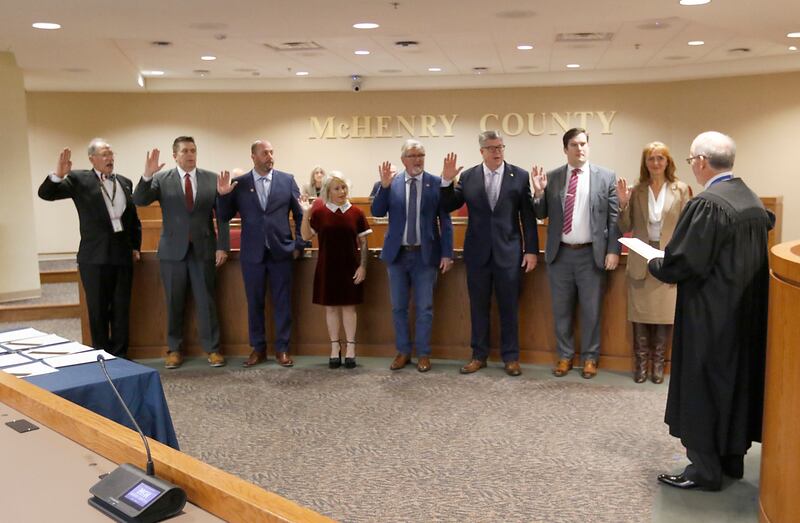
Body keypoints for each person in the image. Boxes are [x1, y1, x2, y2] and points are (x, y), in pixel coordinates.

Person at [648, 131, 773, 491]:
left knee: (704, 384)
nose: (693, 167)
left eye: (691, 161)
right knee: (734, 384)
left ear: (702, 162)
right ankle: (731, 460)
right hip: (743, 315)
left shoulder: (708, 203)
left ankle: (704, 470)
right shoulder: (749, 199)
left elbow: (683, 262)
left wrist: (657, 262)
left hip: (710, 315)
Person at [441, 130, 538, 376]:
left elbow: (527, 217)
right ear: (482, 151)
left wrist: (531, 251)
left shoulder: (520, 175)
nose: (497, 152)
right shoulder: (469, 176)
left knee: (509, 307)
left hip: (509, 252)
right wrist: (446, 182)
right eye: (492, 148)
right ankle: (478, 355)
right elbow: (449, 205)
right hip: (478, 253)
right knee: (478, 306)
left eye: (500, 147)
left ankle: (511, 358)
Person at [38, 139, 141, 358]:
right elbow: (46, 194)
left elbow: (132, 219)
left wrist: (135, 246)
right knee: (98, 310)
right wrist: (57, 174)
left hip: (122, 255)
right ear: (92, 158)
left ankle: (121, 357)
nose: (109, 158)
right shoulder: (79, 179)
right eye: (104, 154)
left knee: (122, 310)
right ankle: (102, 356)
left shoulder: (125, 182)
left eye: (111, 154)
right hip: (94, 257)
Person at [531, 127, 620, 379]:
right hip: (560, 255)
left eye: (583, 144)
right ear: (565, 149)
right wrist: (538, 193)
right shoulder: (553, 177)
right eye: (574, 145)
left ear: (588, 147)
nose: (579, 148)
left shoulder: (605, 177)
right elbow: (540, 214)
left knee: (591, 310)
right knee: (561, 309)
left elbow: (614, 219)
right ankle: (565, 356)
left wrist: (613, 250)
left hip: (591, 255)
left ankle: (590, 358)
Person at [134, 136, 230, 369]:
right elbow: (140, 199)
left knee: (206, 301)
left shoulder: (210, 178)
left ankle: (213, 349)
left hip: (203, 250)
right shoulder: (161, 179)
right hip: (172, 252)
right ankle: (174, 350)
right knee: (174, 302)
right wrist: (147, 176)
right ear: (175, 155)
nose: (190, 154)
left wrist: (222, 245)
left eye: (193, 150)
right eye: (185, 151)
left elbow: (223, 217)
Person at [216, 139, 304, 368]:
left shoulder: (287, 180)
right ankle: (258, 348)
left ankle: (283, 349)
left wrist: (299, 244)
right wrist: (224, 196)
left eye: (272, 152)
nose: (270, 156)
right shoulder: (240, 183)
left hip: (281, 252)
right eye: (265, 153)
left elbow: (301, 214)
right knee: (254, 302)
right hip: (252, 254)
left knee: (282, 302)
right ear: (253, 156)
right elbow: (224, 217)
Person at [371, 140, 454, 372]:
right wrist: (384, 188)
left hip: (425, 256)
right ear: (403, 159)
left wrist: (447, 253)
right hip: (397, 256)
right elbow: (377, 212)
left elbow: (445, 222)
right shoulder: (391, 183)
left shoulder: (435, 183)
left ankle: (424, 354)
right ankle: (403, 351)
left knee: (424, 307)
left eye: (421, 155)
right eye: (413, 155)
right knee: (398, 307)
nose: (418, 159)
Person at [616, 142, 691, 384]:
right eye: (651, 159)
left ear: (668, 162)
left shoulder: (681, 190)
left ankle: (658, 365)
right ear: (645, 163)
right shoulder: (637, 190)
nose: (656, 163)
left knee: (664, 315)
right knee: (640, 315)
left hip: (668, 258)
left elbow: (687, 227)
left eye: (660, 158)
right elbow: (625, 226)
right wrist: (623, 203)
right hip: (641, 258)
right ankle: (640, 366)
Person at [301, 171, 371, 368]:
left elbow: (364, 242)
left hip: (351, 266)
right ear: (327, 192)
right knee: (331, 308)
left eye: (344, 187)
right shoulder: (319, 213)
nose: (342, 191)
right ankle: (334, 347)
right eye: (337, 188)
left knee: (349, 307)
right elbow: (306, 236)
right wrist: (306, 214)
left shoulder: (356, 212)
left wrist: (363, 266)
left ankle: (350, 348)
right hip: (327, 266)